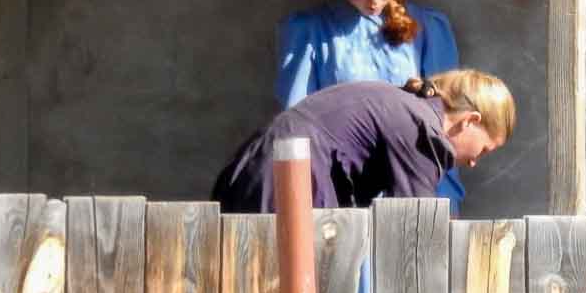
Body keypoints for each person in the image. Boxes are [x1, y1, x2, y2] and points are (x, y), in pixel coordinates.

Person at [276, 0, 467, 209]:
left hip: (413, 198)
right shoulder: (310, 32)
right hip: (338, 199)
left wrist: (445, 205)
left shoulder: (429, 29)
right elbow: (295, 127)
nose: (375, 0)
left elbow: (446, 125)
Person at [212, 69, 514, 213]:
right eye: (484, 150)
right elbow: (416, 222)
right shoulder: (423, 131)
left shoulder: (402, 104)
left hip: (258, 169)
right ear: (471, 120)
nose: (474, 162)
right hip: (290, 186)